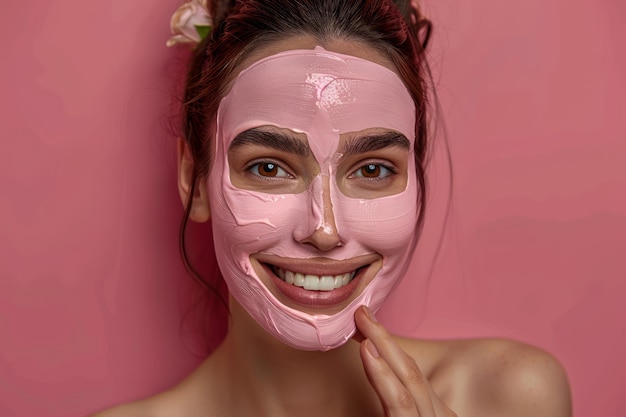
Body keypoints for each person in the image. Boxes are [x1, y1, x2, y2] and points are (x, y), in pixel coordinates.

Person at [92, 0, 572, 415]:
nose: (324, 231)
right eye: (267, 167)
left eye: (372, 170)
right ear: (194, 179)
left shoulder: (509, 398)